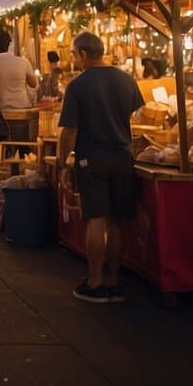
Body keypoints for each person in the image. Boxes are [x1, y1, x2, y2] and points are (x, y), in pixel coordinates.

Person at [58, 32, 144, 304]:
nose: (73, 60)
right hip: (122, 157)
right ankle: (113, 281)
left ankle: (94, 283)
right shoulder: (127, 80)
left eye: (73, 54)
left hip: (91, 159)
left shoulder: (78, 86)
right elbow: (136, 116)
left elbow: (69, 131)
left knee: (96, 219)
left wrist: (63, 163)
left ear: (83, 54)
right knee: (116, 221)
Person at [0, 29, 37, 109]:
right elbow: (33, 84)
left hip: (1, 110)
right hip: (23, 107)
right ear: (9, 44)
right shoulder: (24, 62)